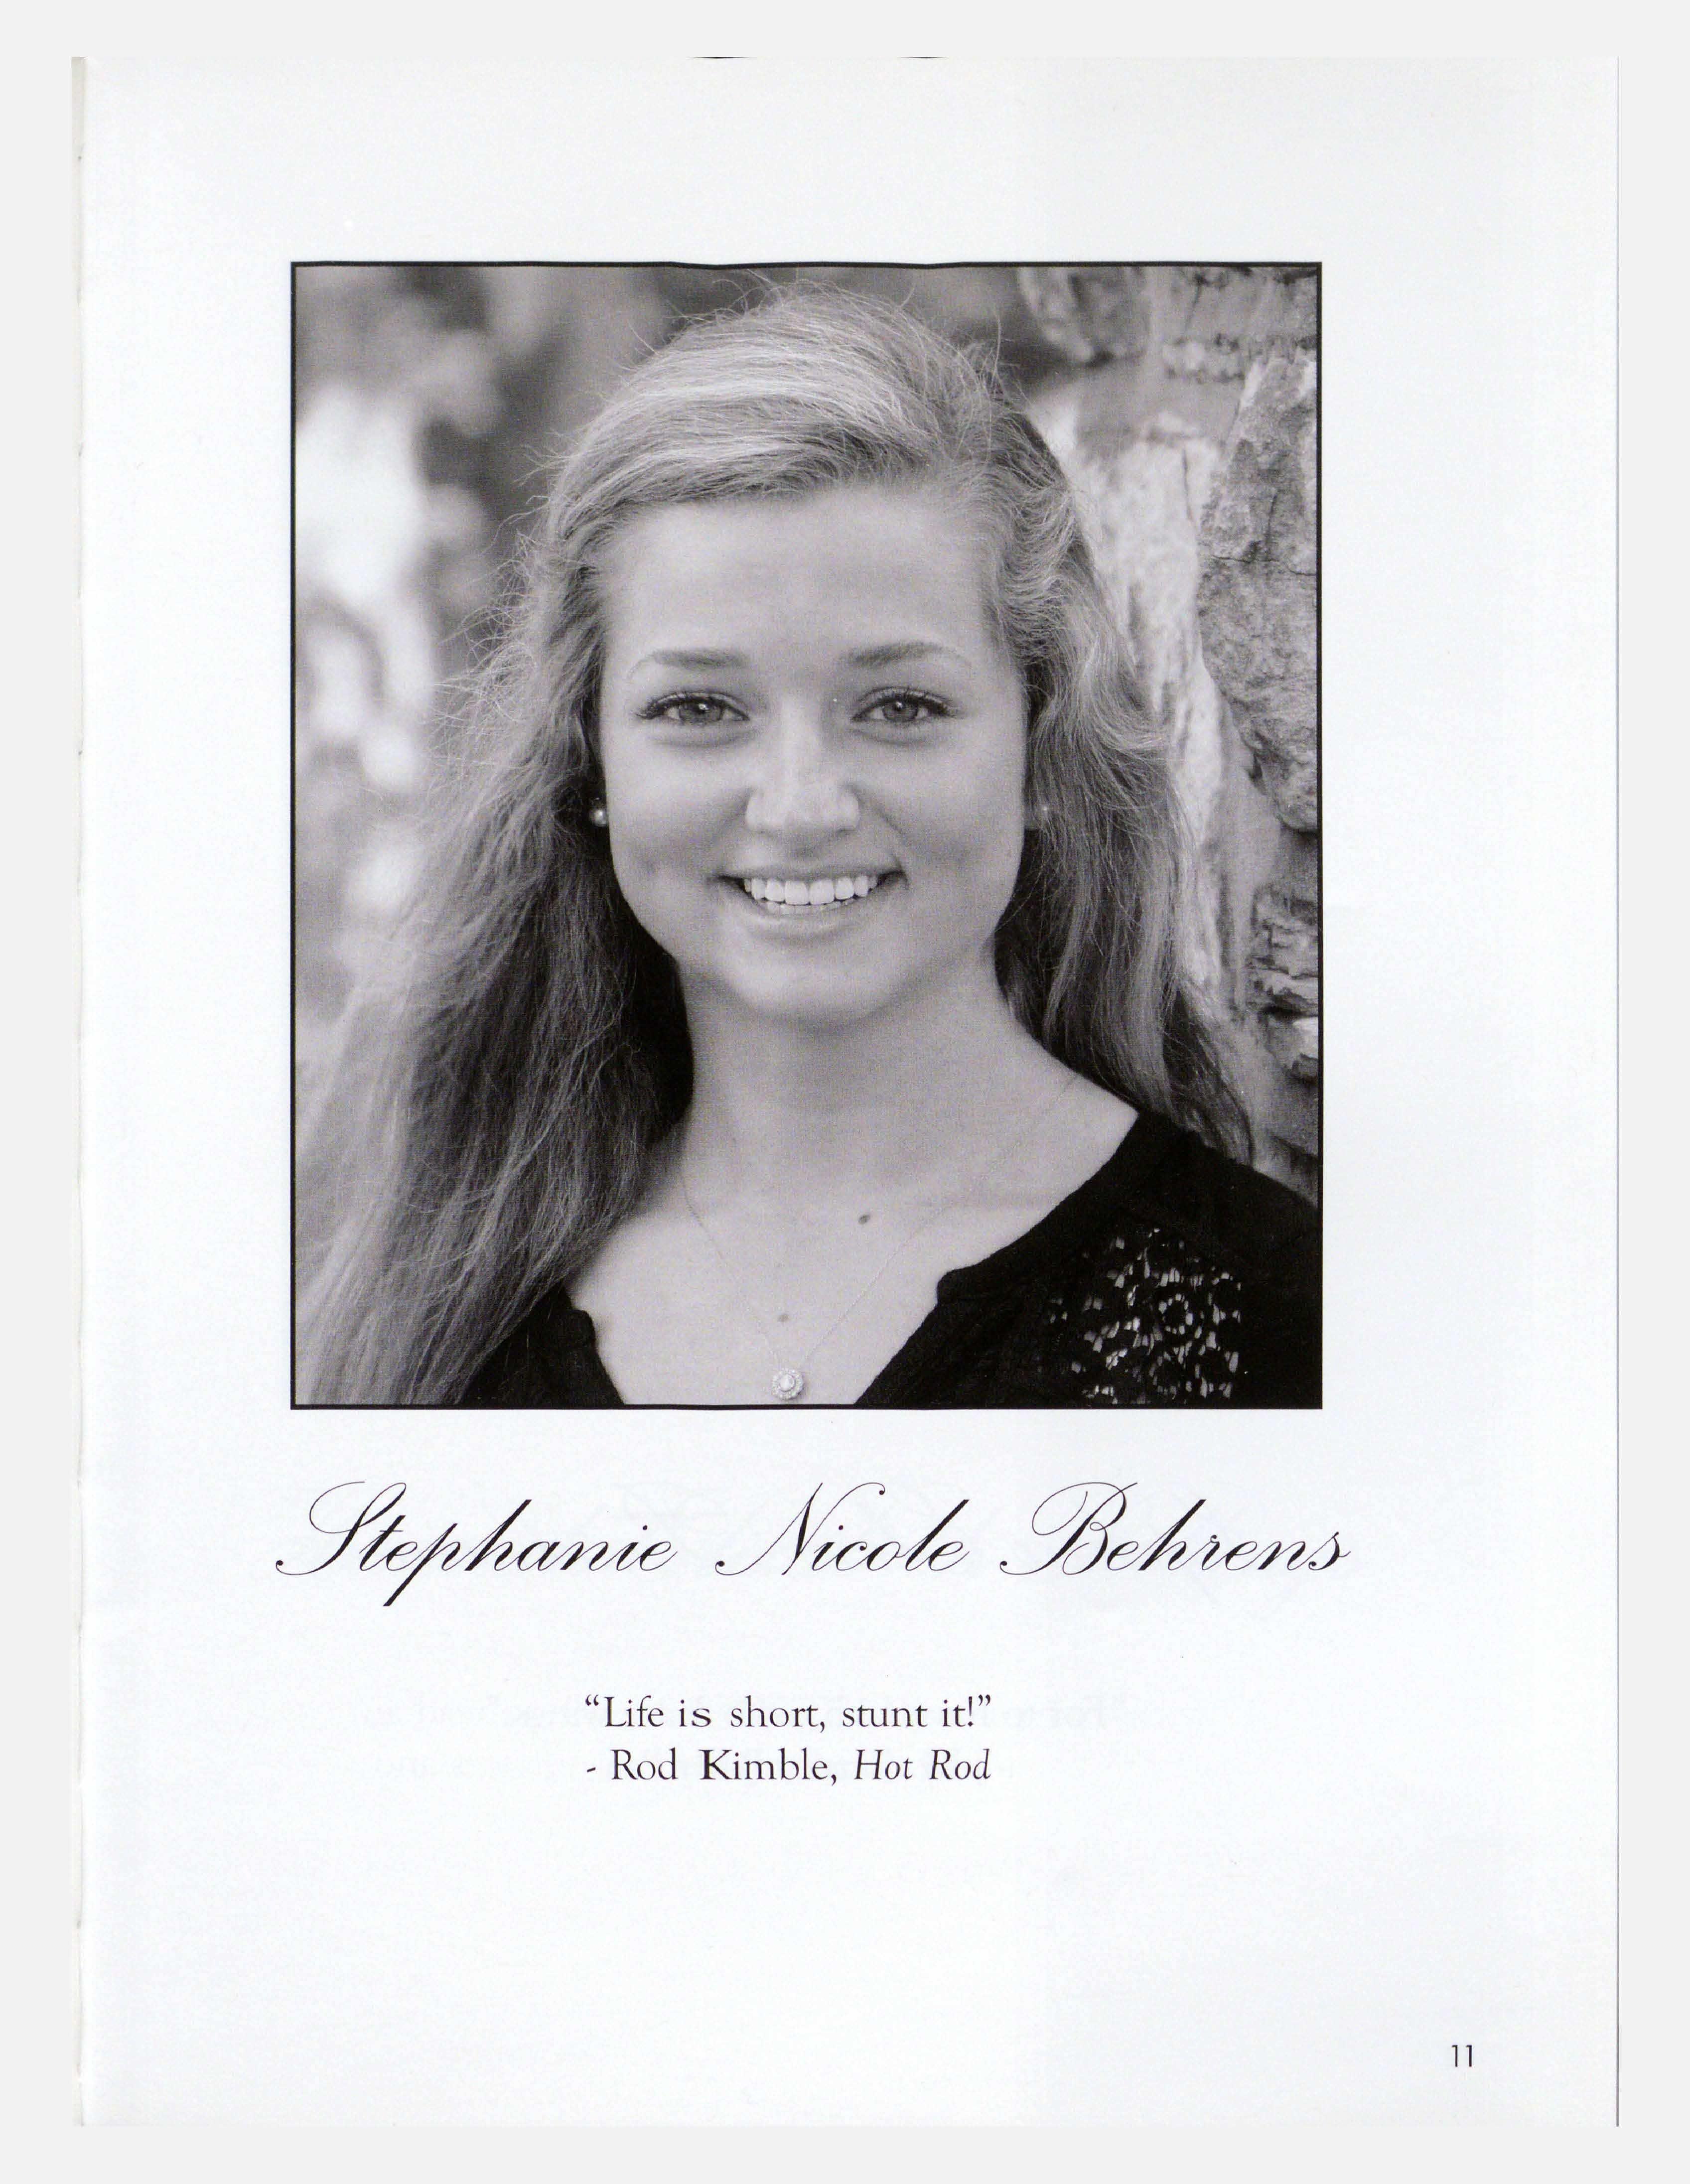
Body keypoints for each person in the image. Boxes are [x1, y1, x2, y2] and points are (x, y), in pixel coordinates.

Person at [298, 287, 1318, 1408]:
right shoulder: (433, 1298)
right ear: (587, 761)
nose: (798, 806)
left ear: (1044, 745)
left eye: (899, 705)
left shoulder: (1275, 1317)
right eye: (699, 708)